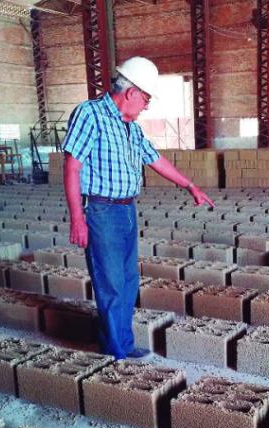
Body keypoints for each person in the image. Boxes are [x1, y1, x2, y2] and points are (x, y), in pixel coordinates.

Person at [62, 56, 214, 360]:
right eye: (145, 99)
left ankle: (120, 344)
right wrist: (77, 218)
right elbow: (72, 168)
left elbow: (155, 159)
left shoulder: (130, 127)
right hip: (101, 211)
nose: (146, 106)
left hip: (126, 210)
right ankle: (117, 352)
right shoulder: (89, 114)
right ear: (131, 92)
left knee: (128, 281)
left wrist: (189, 185)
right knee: (112, 283)